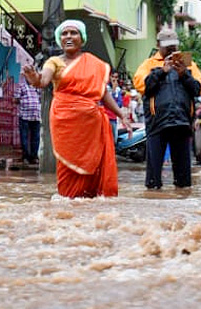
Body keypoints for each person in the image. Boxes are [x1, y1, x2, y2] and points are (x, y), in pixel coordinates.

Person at [20, 20, 132, 198]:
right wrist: (34, 77)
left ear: (82, 38)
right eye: (64, 34)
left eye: (74, 33)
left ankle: (89, 211)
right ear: (59, 39)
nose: (69, 37)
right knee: (66, 170)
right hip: (65, 123)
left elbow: (103, 94)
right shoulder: (54, 62)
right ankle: (67, 204)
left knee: (94, 169)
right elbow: (42, 82)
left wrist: (121, 115)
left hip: (91, 125)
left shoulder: (95, 64)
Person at [132, 26, 201, 189]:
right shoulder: (149, 64)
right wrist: (161, 71)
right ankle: (154, 199)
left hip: (182, 123)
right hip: (157, 123)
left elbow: (199, 88)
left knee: (184, 178)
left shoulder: (188, 64)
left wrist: (184, 74)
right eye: (168, 45)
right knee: (153, 177)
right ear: (159, 44)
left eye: (174, 44)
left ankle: (181, 201)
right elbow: (141, 85)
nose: (172, 48)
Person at [16, 74, 42, 166]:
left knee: (35, 137)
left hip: (36, 115)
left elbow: (41, 97)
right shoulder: (21, 86)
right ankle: (26, 156)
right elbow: (16, 99)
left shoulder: (37, 87)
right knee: (24, 136)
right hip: (25, 115)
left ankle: (34, 157)